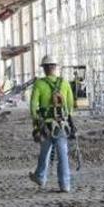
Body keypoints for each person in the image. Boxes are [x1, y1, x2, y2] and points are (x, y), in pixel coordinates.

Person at [29, 56, 76, 192]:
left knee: (45, 152)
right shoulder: (65, 83)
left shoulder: (39, 84)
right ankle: (65, 184)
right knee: (62, 155)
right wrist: (66, 118)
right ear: (55, 67)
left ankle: (40, 176)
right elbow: (70, 105)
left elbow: (33, 107)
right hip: (61, 125)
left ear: (44, 69)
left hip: (45, 126)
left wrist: (36, 124)